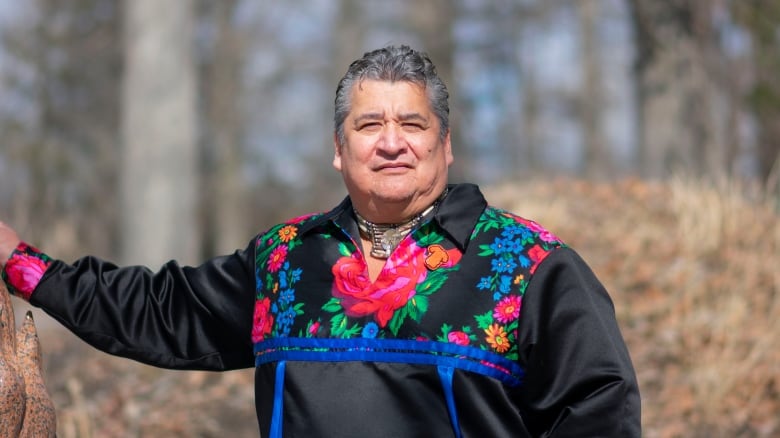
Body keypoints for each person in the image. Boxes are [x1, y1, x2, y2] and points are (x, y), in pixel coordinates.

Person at [0, 45, 641, 437]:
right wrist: (19, 263)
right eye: (369, 125)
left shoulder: (529, 266)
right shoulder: (287, 261)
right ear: (339, 149)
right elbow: (160, 312)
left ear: (446, 145)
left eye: (412, 123)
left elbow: (600, 412)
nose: (392, 142)